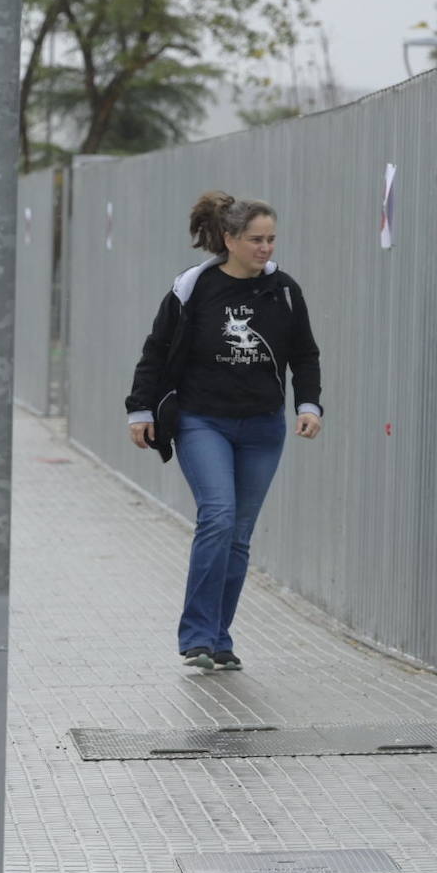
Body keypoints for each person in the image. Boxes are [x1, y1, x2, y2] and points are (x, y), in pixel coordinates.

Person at [125, 191, 322, 672]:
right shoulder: (194, 287)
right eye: (256, 239)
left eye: (272, 239)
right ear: (230, 239)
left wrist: (309, 405)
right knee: (217, 516)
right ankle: (195, 634)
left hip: (262, 426)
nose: (266, 248)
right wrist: (140, 410)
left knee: (238, 534)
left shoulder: (286, 291)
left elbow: (305, 354)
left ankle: (219, 637)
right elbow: (157, 349)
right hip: (201, 420)